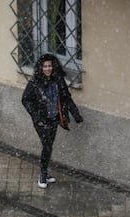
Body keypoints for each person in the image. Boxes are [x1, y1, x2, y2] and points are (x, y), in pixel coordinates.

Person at [21, 53, 84, 189]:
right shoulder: (35, 82)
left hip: (54, 119)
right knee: (47, 145)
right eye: (45, 66)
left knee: (48, 146)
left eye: (50, 66)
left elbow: (66, 98)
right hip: (41, 121)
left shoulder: (58, 80)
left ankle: (45, 171)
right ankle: (43, 174)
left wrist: (76, 115)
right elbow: (26, 100)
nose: (48, 69)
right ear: (40, 68)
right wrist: (36, 117)